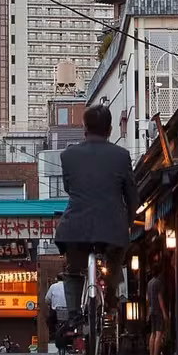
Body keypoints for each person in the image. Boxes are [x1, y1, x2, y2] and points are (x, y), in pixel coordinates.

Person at [54, 104, 139, 339]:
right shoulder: (122, 156)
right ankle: (111, 298)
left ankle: (73, 314)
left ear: (84, 128)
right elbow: (131, 195)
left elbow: (69, 188)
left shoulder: (68, 155)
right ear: (110, 129)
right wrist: (129, 221)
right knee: (114, 263)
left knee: (73, 268)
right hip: (112, 227)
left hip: (75, 228)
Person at [146, 265, 169, 355]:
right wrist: (164, 313)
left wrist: (148, 312)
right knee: (159, 333)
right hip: (158, 310)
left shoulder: (149, 283)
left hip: (151, 309)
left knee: (153, 333)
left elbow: (147, 298)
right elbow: (160, 298)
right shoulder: (158, 283)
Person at [43, 276, 69, 353]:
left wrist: (50, 303)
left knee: (50, 321)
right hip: (68, 310)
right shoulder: (69, 286)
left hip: (56, 311)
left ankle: (53, 336)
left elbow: (47, 299)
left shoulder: (53, 286)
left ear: (56, 279)